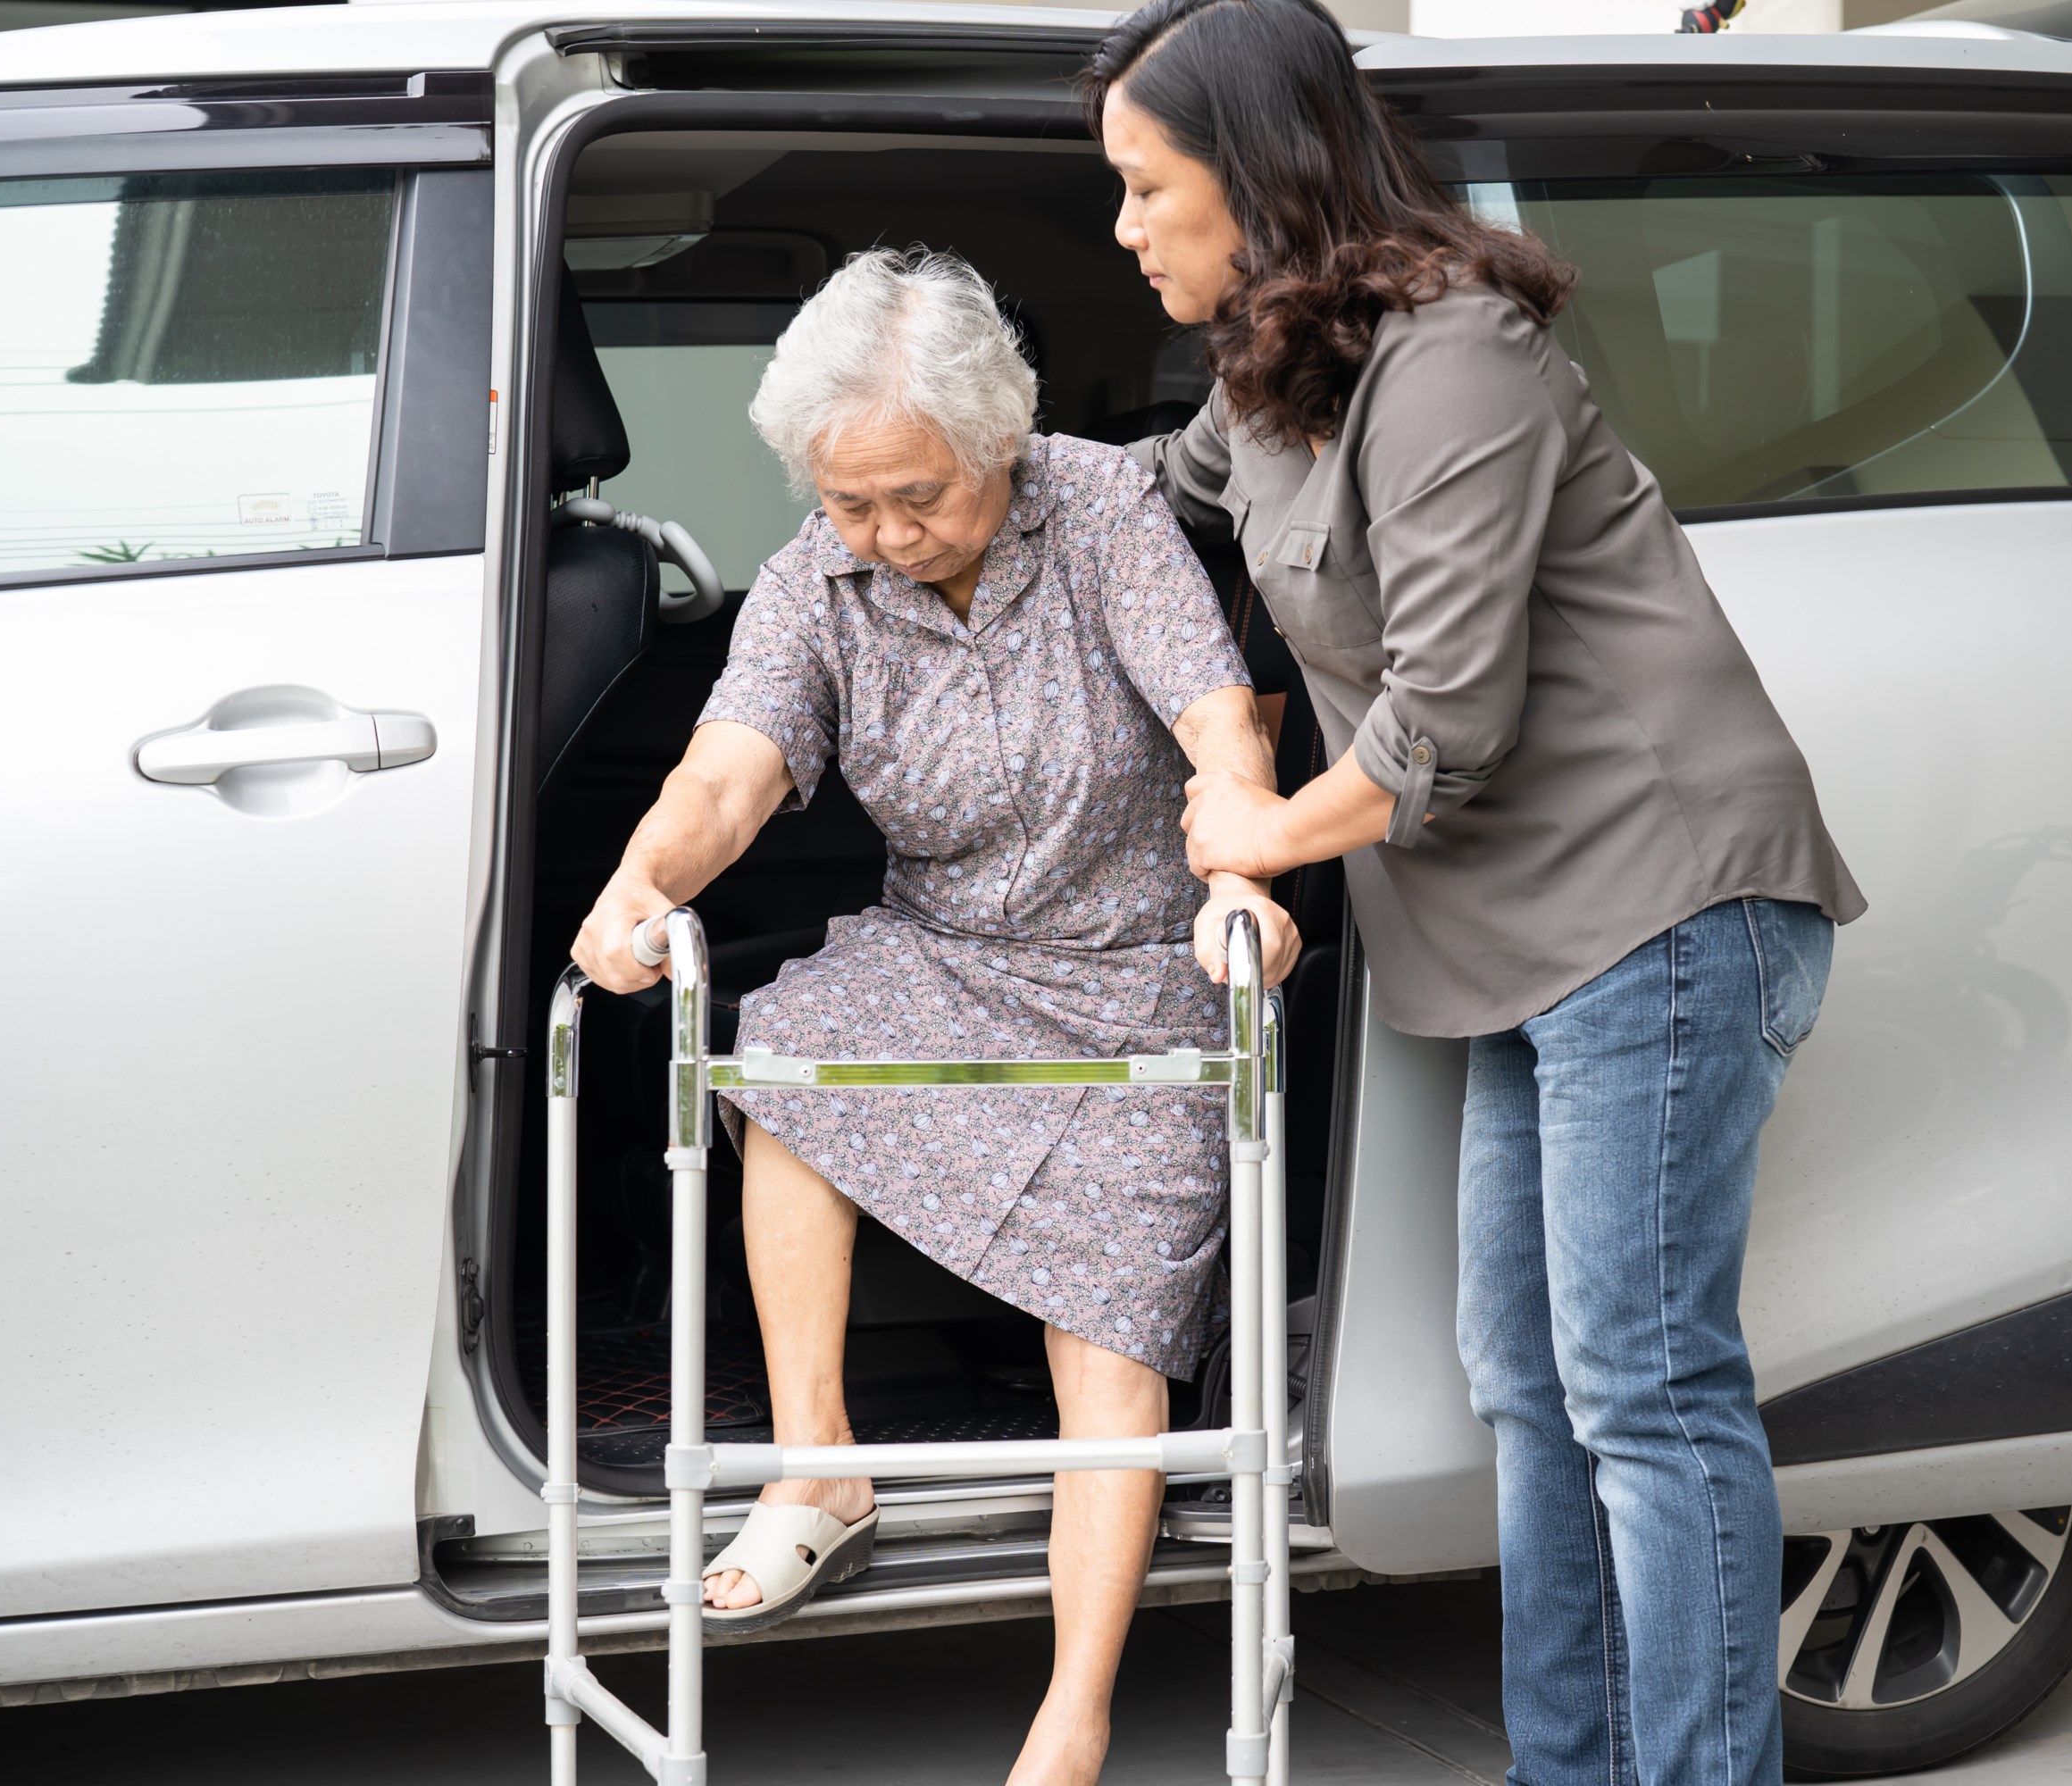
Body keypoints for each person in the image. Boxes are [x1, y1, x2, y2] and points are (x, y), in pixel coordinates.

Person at [1082, 4, 1867, 1781]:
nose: (1125, 226)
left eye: (1146, 186)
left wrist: (1255, 826)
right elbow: (1140, 510)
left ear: (1257, 175)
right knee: (1532, 1386)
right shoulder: (1264, 377)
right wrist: (932, 488)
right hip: (1520, 945)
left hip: (1663, 906)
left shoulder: (1453, 360)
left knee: (1645, 1391)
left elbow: (1446, 721)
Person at [568, 246, 1297, 1786]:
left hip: (1136, 962)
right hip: (948, 947)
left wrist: (1239, 858)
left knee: (1107, 1317)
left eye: (921, 497)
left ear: (1001, 445)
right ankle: (819, 1471)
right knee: (785, 1064)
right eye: (851, 503)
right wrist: (642, 885)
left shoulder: (1098, 508)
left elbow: (1213, 714)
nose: (888, 534)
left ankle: (1072, 1718)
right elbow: (731, 773)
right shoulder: (810, 582)